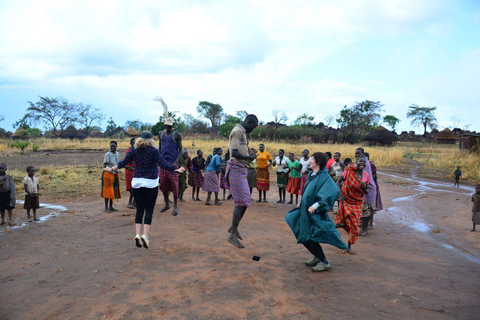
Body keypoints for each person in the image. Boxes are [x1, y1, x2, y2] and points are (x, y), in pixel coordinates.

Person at [105, 131, 185, 249]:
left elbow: (123, 163)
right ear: (151, 140)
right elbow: (163, 164)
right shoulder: (153, 151)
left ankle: (137, 234)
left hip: (137, 183)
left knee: (139, 210)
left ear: (140, 139)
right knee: (149, 211)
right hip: (150, 184)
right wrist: (176, 170)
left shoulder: (134, 151)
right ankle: (145, 236)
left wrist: (111, 168)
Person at [285, 152, 348, 272]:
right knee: (304, 235)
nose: (310, 161)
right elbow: (308, 190)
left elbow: (331, 190)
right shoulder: (311, 174)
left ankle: (324, 262)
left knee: (309, 237)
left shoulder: (324, 177)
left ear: (318, 162)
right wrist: (302, 202)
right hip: (305, 211)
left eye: (312, 159)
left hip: (315, 214)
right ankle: (317, 257)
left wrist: (316, 204)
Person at [226, 114, 258, 248]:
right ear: (249, 122)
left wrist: (247, 156)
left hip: (240, 168)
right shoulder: (238, 131)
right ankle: (232, 235)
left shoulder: (241, 131)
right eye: (253, 127)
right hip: (236, 168)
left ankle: (233, 228)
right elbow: (234, 153)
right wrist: (249, 158)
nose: (253, 130)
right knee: (241, 202)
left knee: (245, 201)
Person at [335, 157, 370, 255]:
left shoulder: (366, 176)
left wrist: (364, 187)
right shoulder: (349, 171)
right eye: (360, 161)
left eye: (364, 162)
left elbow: (366, 191)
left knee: (354, 226)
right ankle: (328, 233)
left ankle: (349, 247)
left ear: (366, 164)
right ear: (356, 162)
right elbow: (338, 181)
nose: (362, 163)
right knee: (341, 221)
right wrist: (340, 194)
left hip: (357, 202)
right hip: (346, 199)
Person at [158, 116, 183, 216]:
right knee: (162, 183)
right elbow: (160, 148)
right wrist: (159, 160)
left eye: (170, 125)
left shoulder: (176, 134)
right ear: (165, 124)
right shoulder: (161, 133)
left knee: (174, 184)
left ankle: (175, 205)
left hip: (173, 164)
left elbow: (180, 150)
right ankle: (167, 203)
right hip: (163, 163)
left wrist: (176, 162)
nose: (168, 127)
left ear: (172, 125)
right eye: (166, 125)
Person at [355, 148, 377, 236]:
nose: (356, 155)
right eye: (356, 154)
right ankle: (365, 227)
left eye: (358, 154)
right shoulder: (364, 161)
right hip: (368, 188)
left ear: (363, 154)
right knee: (366, 211)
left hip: (368, 189)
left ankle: (364, 229)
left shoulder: (363, 163)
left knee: (366, 211)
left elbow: (363, 180)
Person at [364, 152, 383, 229]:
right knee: (366, 207)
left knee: (371, 207)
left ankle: (370, 223)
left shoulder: (371, 166)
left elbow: (374, 177)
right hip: (367, 186)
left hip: (372, 187)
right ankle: (366, 223)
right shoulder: (365, 166)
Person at [102, 141, 121, 212]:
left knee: (113, 191)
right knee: (107, 191)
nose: (112, 148)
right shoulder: (108, 154)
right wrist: (111, 169)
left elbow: (119, 163)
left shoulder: (117, 154)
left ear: (116, 147)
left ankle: (111, 206)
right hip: (108, 174)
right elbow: (105, 165)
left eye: (114, 146)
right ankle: (106, 207)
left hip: (115, 174)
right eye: (111, 146)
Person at [125, 138, 136, 209]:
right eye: (133, 143)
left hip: (135, 170)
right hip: (129, 170)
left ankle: (134, 202)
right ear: (131, 143)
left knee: (136, 187)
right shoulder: (129, 150)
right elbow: (127, 160)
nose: (134, 144)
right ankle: (130, 202)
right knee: (131, 187)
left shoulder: (137, 150)